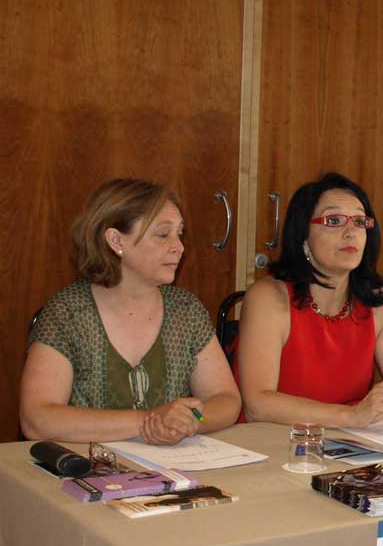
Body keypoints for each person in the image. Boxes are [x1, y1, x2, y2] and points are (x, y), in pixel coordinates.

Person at [20, 178, 241, 444]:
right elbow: (37, 419)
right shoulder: (68, 313)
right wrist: (149, 421)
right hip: (86, 474)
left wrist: (193, 420)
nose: (179, 246)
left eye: (179, 233)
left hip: (175, 472)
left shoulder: (186, 310)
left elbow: (226, 400)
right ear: (116, 240)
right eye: (163, 234)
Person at [237, 172, 383, 427]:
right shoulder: (268, 298)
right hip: (272, 446)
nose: (351, 232)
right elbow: (257, 405)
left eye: (360, 222)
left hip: (348, 447)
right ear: (303, 237)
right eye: (334, 220)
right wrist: (350, 416)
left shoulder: (377, 301)